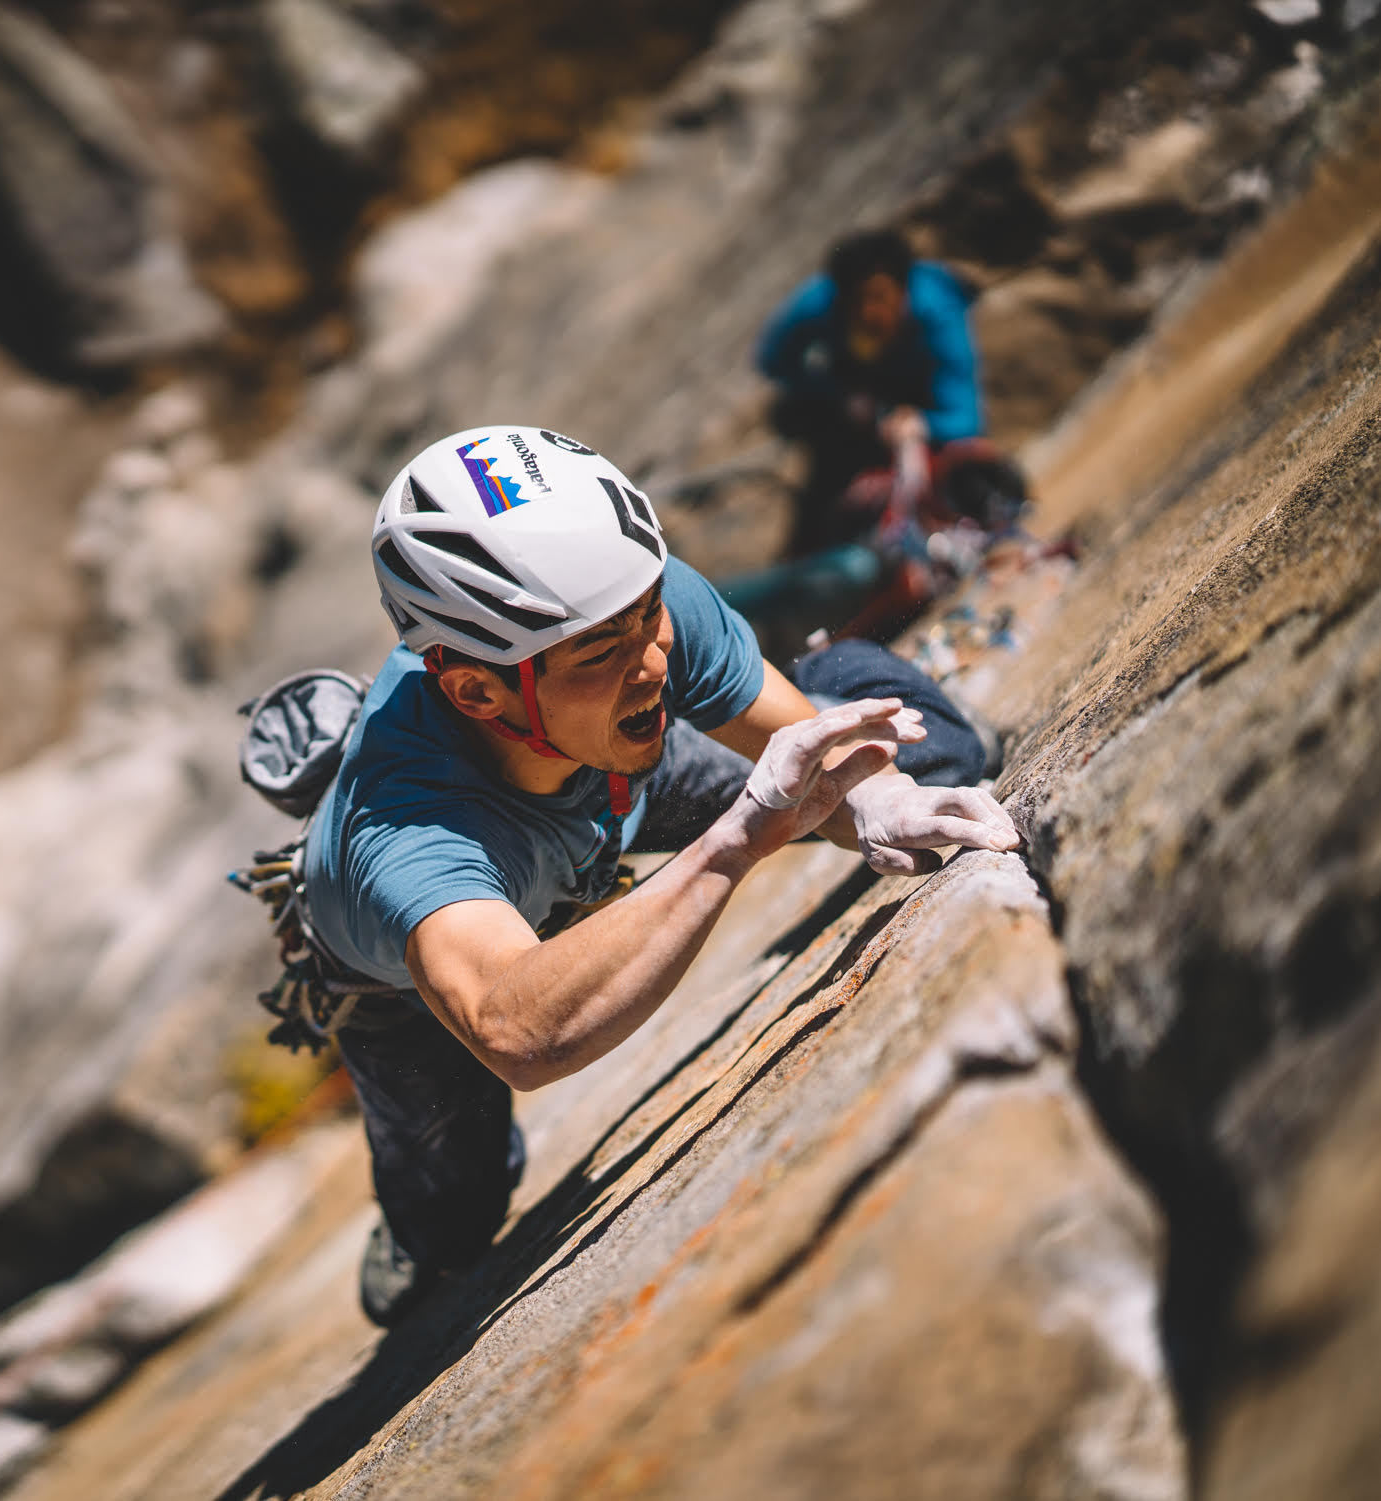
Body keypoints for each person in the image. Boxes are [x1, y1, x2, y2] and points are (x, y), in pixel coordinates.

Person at [297, 425, 1018, 1326]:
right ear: (478, 692)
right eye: (601, 650)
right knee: (454, 1229)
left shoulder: (624, 594)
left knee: (942, 753)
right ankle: (418, 1223)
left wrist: (877, 794)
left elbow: (784, 733)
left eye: (649, 617)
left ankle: (846, 672)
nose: (650, 659)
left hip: (607, 777)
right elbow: (518, 1026)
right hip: (422, 966)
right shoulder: (404, 828)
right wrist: (740, 836)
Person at [731, 229, 1026, 647]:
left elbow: (964, 417)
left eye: (880, 298)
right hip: (853, 419)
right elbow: (773, 359)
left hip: (916, 424)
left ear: (903, 289)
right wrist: (842, 396)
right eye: (858, 303)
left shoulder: (935, 306)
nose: (870, 313)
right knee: (793, 421)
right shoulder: (821, 304)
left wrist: (919, 424)